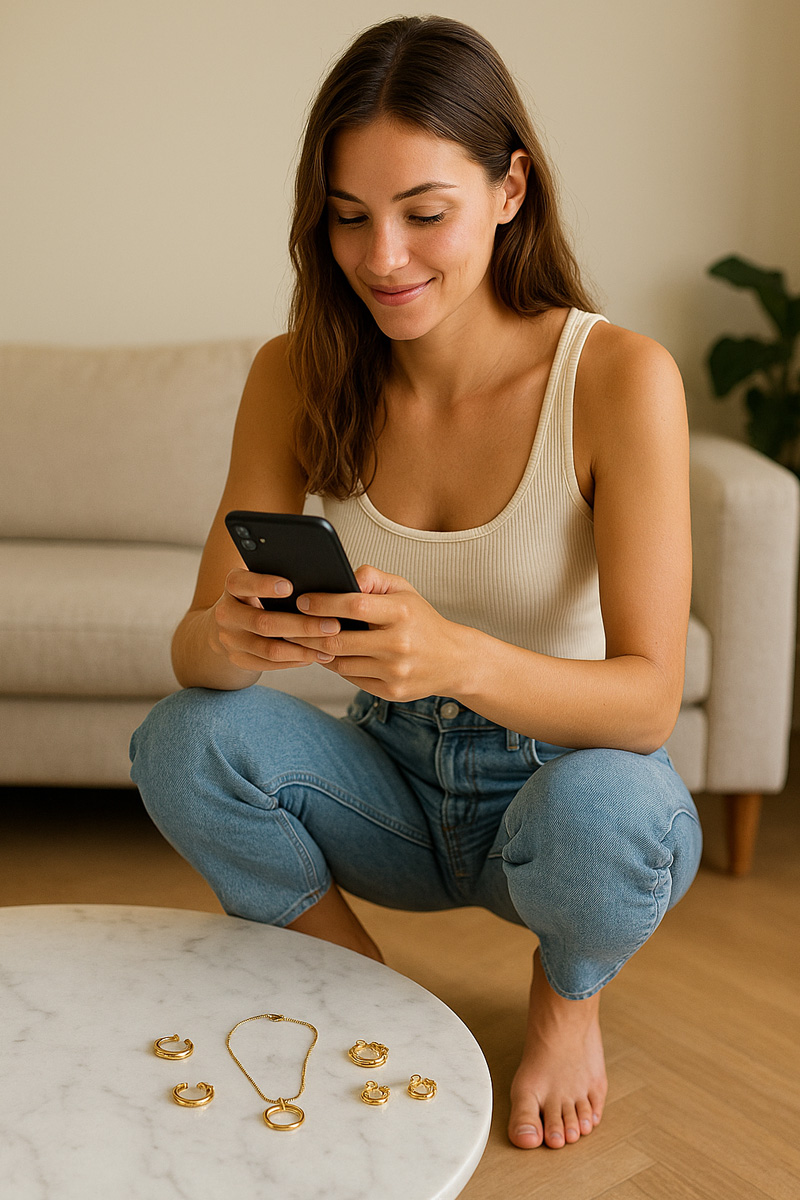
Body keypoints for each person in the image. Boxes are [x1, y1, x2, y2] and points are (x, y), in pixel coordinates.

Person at [129, 14, 702, 1152]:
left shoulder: (617, 377)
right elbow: (192, 653)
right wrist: (232, 638)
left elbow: (647, 704)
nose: (382, 258)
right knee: (183, 739)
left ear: (509, 189)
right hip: (386, 782)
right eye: (349, 217)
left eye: (423, 213)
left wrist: (454, 657)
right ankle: (360, 986)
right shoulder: (295, 373)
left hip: (556, 799)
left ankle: (567, 1000)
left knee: (619, 807)